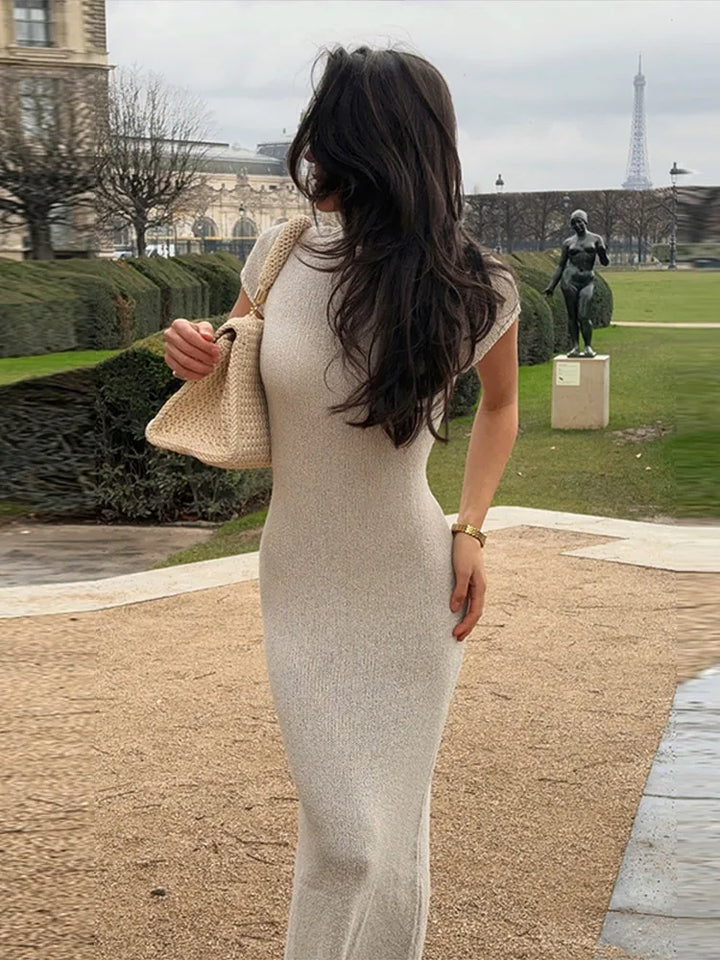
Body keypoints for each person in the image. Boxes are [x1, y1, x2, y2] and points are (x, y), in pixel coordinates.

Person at [162, 45, 520, 960]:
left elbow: (502, 408)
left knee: (391, 823)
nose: (316, 154)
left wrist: (472, 528)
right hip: (303, 578)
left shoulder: (477, 286)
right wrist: (197, 348)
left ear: (385, 146)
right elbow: (233, 353)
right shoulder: (279, 255)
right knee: (347, 836)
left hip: (411, 580)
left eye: (334, 134)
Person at [544, 209, 609, 358]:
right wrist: (551, 286)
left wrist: (602, 252)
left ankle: (588, 346)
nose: (577, 225)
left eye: (579, 222)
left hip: (587, 281)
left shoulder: (596, 239)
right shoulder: (568, 242)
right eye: (573, 223)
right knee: (572, 316)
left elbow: (605, 263)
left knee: (583, 315)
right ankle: (574, 346)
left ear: (585, 222)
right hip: (569, 281)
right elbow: (561, 265)